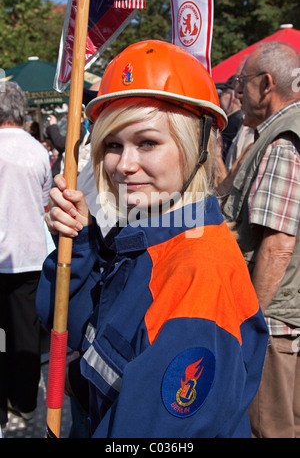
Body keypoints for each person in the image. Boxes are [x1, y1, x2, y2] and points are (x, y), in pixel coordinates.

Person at [36, 40, 268, 438]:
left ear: (196, 147)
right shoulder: (145, 237)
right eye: (112, 144)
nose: (124, 166)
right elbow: (67, 322)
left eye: (147, 142)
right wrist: (80, 240)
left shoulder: (197, 272)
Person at [223, 41, 300, 438]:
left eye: (242, 82)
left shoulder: (282, 141)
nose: (237, 91)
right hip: (285, 317)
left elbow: (277, 245)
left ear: (266, 84)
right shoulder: (273, 134)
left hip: (273, 325)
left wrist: (247, 325)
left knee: (268, 428)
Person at [0, 82, 52, 428]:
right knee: (26, 335)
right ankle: (25, 402)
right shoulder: (38, 151)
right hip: (32, 255)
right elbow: (45, 204)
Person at [217, 75, 244, 161]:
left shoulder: (231, 122)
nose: (220, 97)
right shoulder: (240, 120)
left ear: (232, 95)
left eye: (223, 93)